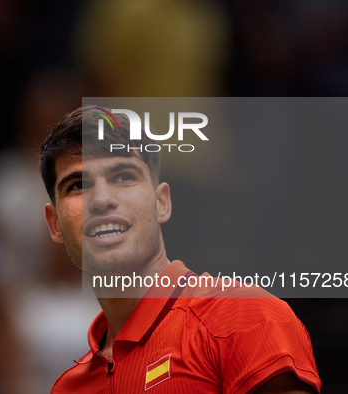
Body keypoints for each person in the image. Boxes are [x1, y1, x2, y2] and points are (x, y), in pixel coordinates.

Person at [39, 105, 322, 393]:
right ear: (55, 224)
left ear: (161, 202)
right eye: (77, 185)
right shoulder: (68, 388)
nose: (101, 199)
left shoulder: (247, 317)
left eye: (123, 176)